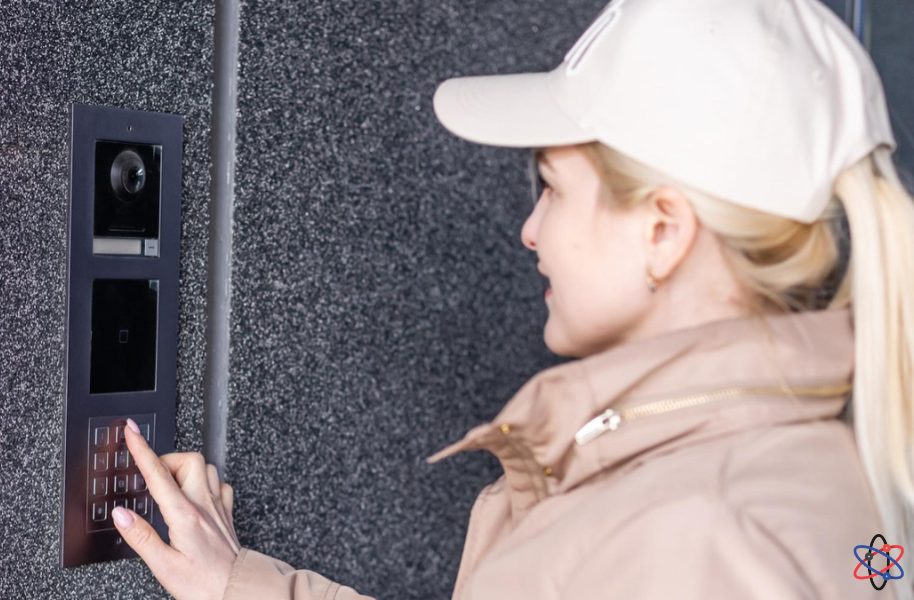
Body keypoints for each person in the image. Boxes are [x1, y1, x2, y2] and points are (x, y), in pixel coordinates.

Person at [106, 0, 914, 598]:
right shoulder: (815, 470)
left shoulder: (695, 534)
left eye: (553, 189)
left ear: (664, 231)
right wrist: (239, 583)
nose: (531, 231)